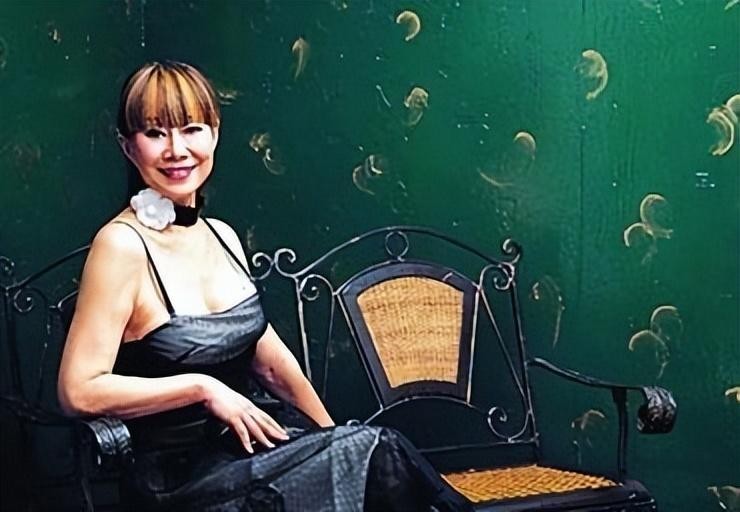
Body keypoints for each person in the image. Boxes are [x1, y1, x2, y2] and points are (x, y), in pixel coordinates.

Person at [57, 61, 472, 512]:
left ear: (215, 134)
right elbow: (78, 391)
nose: (177, 150)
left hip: (249, 452)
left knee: (373, 455)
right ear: (128, 146)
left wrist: (333, 437)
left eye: (192, 129)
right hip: (179, 480)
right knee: (379, 453)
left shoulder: (221, 235)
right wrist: (201, 387)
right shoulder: (121, 245)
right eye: (155, 133)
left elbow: (272, 366)